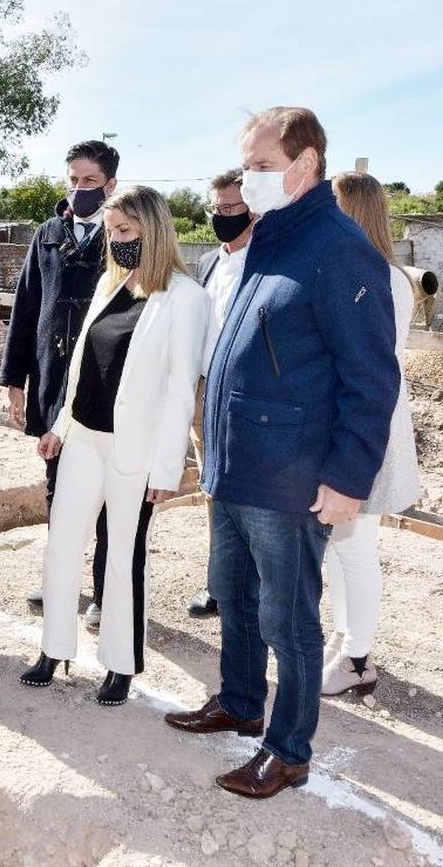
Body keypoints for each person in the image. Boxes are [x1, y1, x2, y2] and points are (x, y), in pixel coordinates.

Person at [164, 108, 397, 799]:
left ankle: (288, 747)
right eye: (245, 167)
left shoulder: (337, 247)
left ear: (305, 167)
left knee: (288, 619)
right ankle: (239, 698)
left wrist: (349, 475)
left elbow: (371, 376)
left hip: (291, 476)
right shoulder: (270, 240)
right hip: (237, 465)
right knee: (233, 595)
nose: (249, 180)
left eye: (261, 167)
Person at [18, 186, 210, 706]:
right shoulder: (109, 283)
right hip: (83, 437)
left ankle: (120, 663)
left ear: (154, 231)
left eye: (125, 231)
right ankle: (54, 648)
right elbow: (83, 365)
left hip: (136, 451)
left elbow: (179, 390)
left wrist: (167, 470)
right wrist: (59, 425)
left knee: (123, 555)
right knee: (62, 542)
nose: (115, 240)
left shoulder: (187, 298)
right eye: (112, 231)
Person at [1, 140, 117, 628]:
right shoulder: (47, 234)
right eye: (73, 179)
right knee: (58, 487)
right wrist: (14, 381)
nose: (79, 189)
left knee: (109, 495)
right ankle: (59, 579)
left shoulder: (125, 236)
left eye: (89, 181)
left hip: (104, 387)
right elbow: (26, 308)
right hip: (52, 383)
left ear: (110, 185)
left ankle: (105, 592)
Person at [322, 173, 422, 697]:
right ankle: (345, 636)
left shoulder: (380, 278)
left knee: (355, 544)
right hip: (359, 424)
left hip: (369, 428)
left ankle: (359, 658)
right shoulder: (376, 273)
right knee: (343, 544)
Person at [185, 167, 255, 619]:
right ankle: (220, 581)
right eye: (217, 208)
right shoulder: (209, 263)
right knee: (212, 488)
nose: (223, 216)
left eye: (232, 208)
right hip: (202, 392)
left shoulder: (267, 260)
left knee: (248, 493)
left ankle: (253, 585)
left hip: (245, 395)